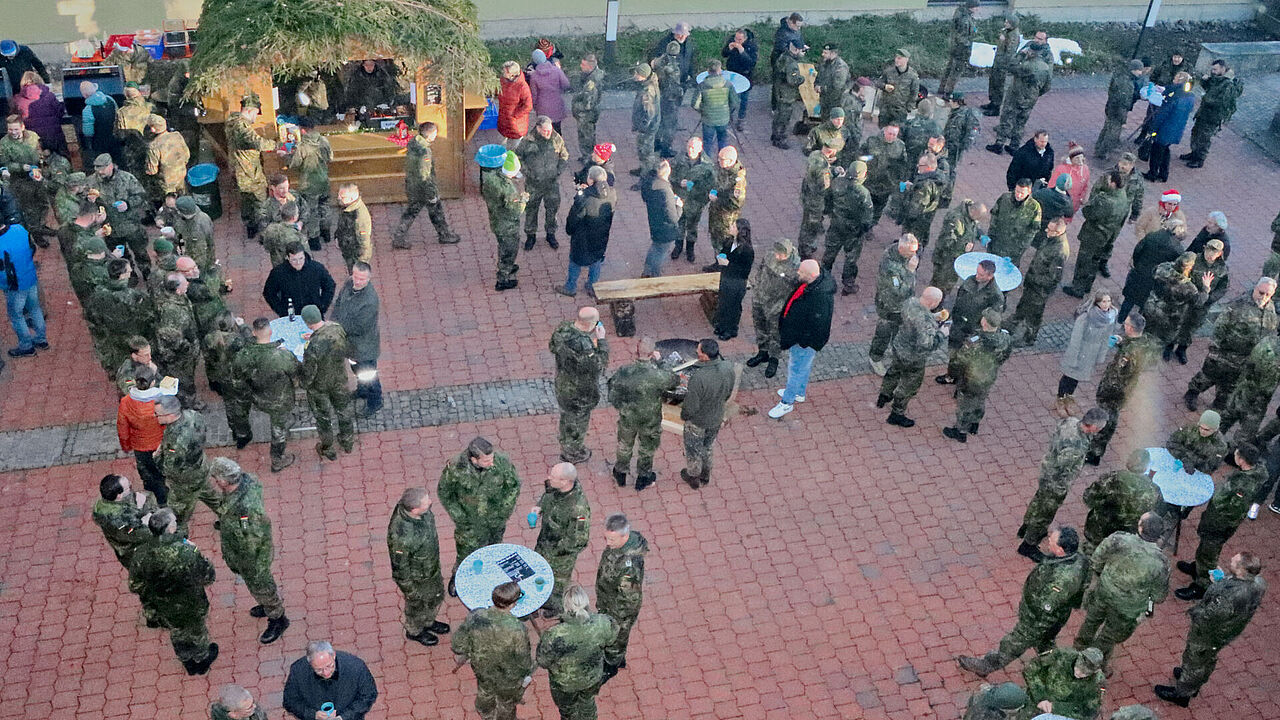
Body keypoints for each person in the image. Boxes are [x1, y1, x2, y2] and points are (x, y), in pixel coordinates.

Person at [958, 527, 1088, 676]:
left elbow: (1047, 606)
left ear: (1060, 550)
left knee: (1014, 643)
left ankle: (986, 666)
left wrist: (1034, 624)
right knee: (1045, 642)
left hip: (1039, 619)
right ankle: (1054, 669)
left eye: (1051, 540)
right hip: (1054, 616)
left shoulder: (1064, 579)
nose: (1048, 540)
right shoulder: (1079, 558)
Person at [1155, 551, 1266, 707]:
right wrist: (1220, 583)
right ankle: (1191, 680)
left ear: (1241, 570)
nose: (1231, 560)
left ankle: (1183, 693)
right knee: (1205, 658)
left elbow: (1209, 614)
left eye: (1234, 562)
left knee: (1196, 660)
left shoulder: (1230, 597)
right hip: (1227, 631)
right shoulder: (1258, 582)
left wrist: (1194, 612)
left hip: (1209, 633)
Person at [208, 457, 290, 644]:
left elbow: (252, 540)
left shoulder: (246, 509)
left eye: (217, 478)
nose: (215, 482)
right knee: (257, 586)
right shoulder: (246, 481)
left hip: (252, 557)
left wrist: (250, 564)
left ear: (225, 481)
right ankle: (267, 604)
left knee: (262, 585)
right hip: (243, 551)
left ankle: (277, 617)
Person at [1073, 512, 1170, 669]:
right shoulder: (1161, 563)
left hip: (1104, 592)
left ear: (1140, 528)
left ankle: (1078, 649)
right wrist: (1148, 609)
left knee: (1091, 621)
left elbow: (1096, 560)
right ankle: (1095, 662)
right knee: (1108, 637)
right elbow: (1158, 596)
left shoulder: (1118, 539)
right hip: (1128, 608)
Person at [129, 509, 218, 674]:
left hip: (164, 605)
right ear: (169, 529)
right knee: (197, 630)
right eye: (174, 522)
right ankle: (202, 659)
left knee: (177, 631)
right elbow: (208, 576)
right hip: (191, 602)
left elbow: (135, 586)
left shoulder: (140, 554)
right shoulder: (187, 551)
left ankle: (187, 661)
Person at [1174, 444, 1265, 599]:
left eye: (1236, 454)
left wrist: (1217, 509)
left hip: (1219, 524)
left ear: (1242, 460)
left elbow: (1234, 510)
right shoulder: (1248, 473)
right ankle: (1198, 568)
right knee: (1204, 549)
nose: (1233, 456)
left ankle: (1201, 586)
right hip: (1215, 521)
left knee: (1209, 556)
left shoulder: (1244, 484)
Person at [1016, 409, 1106, 559]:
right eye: (1100, 427)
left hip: (1046, 470)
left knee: (1038, 500)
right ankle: (1028, 544)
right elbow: (1063, 465)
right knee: (1045, 513)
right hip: (1056, 483)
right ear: (1093, 427)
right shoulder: (1076, 446)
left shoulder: (1070, 422)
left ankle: (1025, 527)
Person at [438, 437, 522, 596]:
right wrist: (459, 516)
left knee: (494, 549)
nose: (492, 463)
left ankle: (490, 575)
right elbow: (445, 492)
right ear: (473, 459)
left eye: (492, 458)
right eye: (486, 461)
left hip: (495, 520)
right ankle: (459, 577)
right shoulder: (456, 467)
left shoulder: (502, 461)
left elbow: (514, 486)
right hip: (469, 523)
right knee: (465, 552)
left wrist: (504, 509)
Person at [1185, 277, 1277, 412]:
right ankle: (1192, 393)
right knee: (1208, 376)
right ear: (1255, 289)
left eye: (1268, 294)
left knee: (1231, 386)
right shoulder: (1237, 305)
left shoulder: (1270, 308)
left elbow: (1270, 331)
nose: (1263, 297)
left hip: (1246, 359)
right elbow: (1220, 327)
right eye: (1261, 292)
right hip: (1225, 353)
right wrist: (1215, 350)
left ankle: (1218, 404)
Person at [452, 582, 535, 720]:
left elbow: (457, 645)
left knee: (485, 692)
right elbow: (523, 662)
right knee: (506, 703)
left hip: (482, 669)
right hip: (508, 677)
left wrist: (474, 649)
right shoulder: (517, 629)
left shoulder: (476, 615)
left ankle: (486, 714)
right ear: (513, 604)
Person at [536, 584, 619, 718]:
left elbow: (543, 661)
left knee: (568, 710)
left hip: (564, 683)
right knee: (588, 702)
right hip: (592, 677)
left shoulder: (554, 634)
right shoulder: (602, 622)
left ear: (566, 607)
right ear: (586, 603)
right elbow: (611, 639)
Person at [231, 317, 301, 472]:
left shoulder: (243, 354)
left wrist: (243, 326)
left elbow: (237, 378)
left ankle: (242, 434)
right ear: (271, 332)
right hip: (279, 399)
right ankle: (277, 460)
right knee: (278, 431)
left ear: (254, 332)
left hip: (254, 395)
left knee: (240, 411)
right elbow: (295, 371)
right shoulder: (281, 356)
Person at [769, 259, 836, 419]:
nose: (798, 274)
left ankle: (787, 402)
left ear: (811, 275)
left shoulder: (819, 297)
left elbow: (818, 323)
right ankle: (799, 392)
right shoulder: (814, 285)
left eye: (801, 272)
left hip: (804, 341)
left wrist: (804, 341)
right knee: (803, 366)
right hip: (803, 339)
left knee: (796, 369)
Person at [608, 339, 678, 490]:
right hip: (650, 418)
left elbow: (612, 391)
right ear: (652, 354)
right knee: (647, 448)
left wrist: (621, 407)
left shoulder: (624, 371)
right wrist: (661, 362)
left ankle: (620, 473)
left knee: (624, 445)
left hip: (628, 416)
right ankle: (643, 477)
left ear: (636, 351)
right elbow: (674, 380)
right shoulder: (657, 375)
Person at [1088, 313, 1157, 463]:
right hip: (1127, 389)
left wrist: (1104, 391)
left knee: (1106, 420)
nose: (1123, 326)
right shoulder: (1143, 342)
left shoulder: (1128, 354)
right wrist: (1121, 342)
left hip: (1114, 392)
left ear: (1131, 328)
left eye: (1125, 324)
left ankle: (1095, 453)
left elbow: (1118, 376)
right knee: (1110, 417)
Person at [387, 486, 450, 647]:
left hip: (430, 569)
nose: (430, 502)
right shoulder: (401, 536)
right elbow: (400, 569)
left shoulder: (421, 514)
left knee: (435, 597)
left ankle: (428, 622)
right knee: (417, 606)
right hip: (417, 579)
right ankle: (414, 631)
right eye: (426, 502)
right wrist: (411, 592)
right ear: (415, 510)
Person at [877, 287, 945, 427]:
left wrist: (932, 317)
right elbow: (926, 344)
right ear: (933, 303)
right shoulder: (925, 321)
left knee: (893, 372)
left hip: (899, 347)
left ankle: (884, 395)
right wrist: (942, 334)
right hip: (913, 358)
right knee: (909, 386)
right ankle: (897, 414)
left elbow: (914, 319)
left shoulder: (910, 302)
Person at [531, 463, 592, 616]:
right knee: (536, 574)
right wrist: (539, 507)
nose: (548, 478)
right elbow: (547, 495)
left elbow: (578, 540)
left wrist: (555, 552)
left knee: (557, 585)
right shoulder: (556, 487)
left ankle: (555, 608)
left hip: (560, 554)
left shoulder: (578, 508)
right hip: (544, 542)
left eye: (553, 477)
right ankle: (536, 601)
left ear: (565, 481)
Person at [944, 309, 1013, 442]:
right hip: (989, 375)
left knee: (965, 403)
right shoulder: (1005, 337)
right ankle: (974, 424)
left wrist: (953, 374)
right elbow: (1005, 355)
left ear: (984, 322)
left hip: (971, 378)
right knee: (980, 398)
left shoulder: (974, 342)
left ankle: (960, 431)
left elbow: (960, 360)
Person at [153, 394, 218, 531]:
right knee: (211, 496)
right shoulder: (192, 415)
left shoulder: (177, 443)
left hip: (185, 482)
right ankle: (227, 516)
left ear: (170, 415)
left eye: (158, 414)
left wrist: (157, 456)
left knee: (177, 512)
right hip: (201, 466)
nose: (155, 417)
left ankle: (179, 534)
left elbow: (169, 469)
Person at [595, 514, 648, 680]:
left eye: (612, 539)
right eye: (606, 538)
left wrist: (615, 620)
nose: (608, 543)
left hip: (619, 611)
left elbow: (629, 601)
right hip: (609, 600)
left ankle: (611, 667)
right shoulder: (618, 547)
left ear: (625, 536)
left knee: (615, 639)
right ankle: (616, 657)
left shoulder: (629, 567)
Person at [299, 304, 355, 460]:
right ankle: (347, 441)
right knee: (344, 411)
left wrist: (303, 384)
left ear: (307, 323)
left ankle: (328, 448)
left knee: (323, 418)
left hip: (320, 387)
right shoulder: (337, 328)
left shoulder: (313, 346)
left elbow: (309, 372)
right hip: (339, 380)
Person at [1064, 171, 1130, 297]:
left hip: (1093, 234)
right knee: (1095, 260)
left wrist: (1089, 204)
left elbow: (1088, 213)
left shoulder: (1105, 200)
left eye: (1109, 180)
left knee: (1084, 260)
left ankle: (1077, 288)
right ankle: (1088, 285)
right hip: (1107, 235)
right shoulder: (1123, 197)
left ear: (1113, 183)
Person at [393, 121, 459, 248]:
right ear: (430, 135)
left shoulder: (413, 142)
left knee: (412, 211)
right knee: (436, 210)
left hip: (412, 184)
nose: (436, 136)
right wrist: (432, 193)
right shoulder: (425, 153)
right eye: (435, 133)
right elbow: (425, 175)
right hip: (423, 188)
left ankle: (399, 237)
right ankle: (444, 235)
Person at [1082, 449, 1161, 554]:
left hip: (1099, 530)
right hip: (1127, 537)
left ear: (1128, 462)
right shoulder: (1154, 490)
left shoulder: (1113, 478)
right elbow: (1154, 515)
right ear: (1146, 468)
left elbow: (1088, 498)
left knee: (1090, 554)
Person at [680, 338, 735, 488]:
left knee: (693, 450)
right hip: (716, 417)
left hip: (698, 421)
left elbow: (691, 406)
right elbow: (728, 392)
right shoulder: (728, 367)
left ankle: (693, 477)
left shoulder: (699, 378)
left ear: (704, 356)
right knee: (708, 446)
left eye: (698, 350)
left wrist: (684, 416)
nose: (696, 352)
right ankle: (705, 475)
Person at [939, 260, 1005, 383]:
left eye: (981, 275)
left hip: (973, 330)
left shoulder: (996, 296)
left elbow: (992, 319)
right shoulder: (970, 280)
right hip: (959, 324)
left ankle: (963, 383)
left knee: (967, 359)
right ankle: (951, 375)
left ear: (990, 276)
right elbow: (959, 298)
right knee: (954, 352)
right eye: (977, 272)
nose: (977, 276)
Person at [1007, 217, 1069, 346]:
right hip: (1032, 283)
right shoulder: (1050, 239)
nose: (1046, 231)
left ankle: (1029, 338)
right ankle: (1013, 323)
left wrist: (1034, 279)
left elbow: (1053, 278)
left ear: (1058, 232)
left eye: (1050, 230)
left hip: (1040, 289)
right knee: (1023, 304)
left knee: (1034, 314)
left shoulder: (1059, 251)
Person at [332, 262, 382, 415]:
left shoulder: (370, 300)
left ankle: (375, 401)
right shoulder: (349, 284)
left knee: (368, 375)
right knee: (356, 369)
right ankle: (362, 391)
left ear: (369, 278)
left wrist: (336, 328)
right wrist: (333, 321)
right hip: (351, 344)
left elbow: (359, 327)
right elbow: (339, 304)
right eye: (356, 277)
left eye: (362, 279)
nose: (358, 281)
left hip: (364, 347)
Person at [224, 94, 278, 238]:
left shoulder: (232, 120)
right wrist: (276, 145)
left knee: (246, 201)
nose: (256, 117)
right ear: (249, 110)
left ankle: (250, 229)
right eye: (255, 113)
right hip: (248, 170)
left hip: (239, 168)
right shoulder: (242, 126)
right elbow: (257, 142)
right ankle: (264, 232)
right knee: (260, 200)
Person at [89, 258, 154, 375]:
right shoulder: (133, 296)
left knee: (119, 368)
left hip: (109, 340)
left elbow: (91, 316)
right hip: (132, 339)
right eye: (128, 272)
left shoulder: (98, 293)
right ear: (122, 275)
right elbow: (147, 317)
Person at [88, 153, 149, 276]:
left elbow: (141, 195)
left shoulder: (127, 178)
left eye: (102, 168)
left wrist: (128, 204)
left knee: (140, 252)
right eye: (97, 168)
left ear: (110, 166)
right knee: (120, 255)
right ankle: (130, 274)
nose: (100, 172)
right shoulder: (91, 182)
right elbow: (85, 205)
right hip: (110, 228)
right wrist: (90, 202)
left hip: (131, 225)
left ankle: (146, 271)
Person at [282, 641, 378, 720]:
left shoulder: (356, 667)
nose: (326, 673)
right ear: (310, 663)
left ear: (334, 655)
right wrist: (312, 715)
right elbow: (290, 701)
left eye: (329, 666)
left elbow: (368, 695)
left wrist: (344, 716)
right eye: (319, 670)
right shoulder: (298, 671)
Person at [868, 235, 920, 376]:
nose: (914, 255)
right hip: (889, 306)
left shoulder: (904, 256)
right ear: (901, 248)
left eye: (915, 251)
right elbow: (898, 290)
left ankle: (895, 353)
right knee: (883, 333)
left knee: (900, 331)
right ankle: (875, 358)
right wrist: (910, 272)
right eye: (911, 252)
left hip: (903, 305)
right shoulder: (890, 266)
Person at [747, 239, 800, 378]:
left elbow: (797, 289)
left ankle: (774, 359)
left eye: (781, 255)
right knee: (759, 326)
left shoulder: (796, 267)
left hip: (778, 304)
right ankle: (762, 352)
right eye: (777, 253)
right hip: (761, 297)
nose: (777, 257)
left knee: (775, 332)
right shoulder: (769, 256)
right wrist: (757, 286)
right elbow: (760, 270)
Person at [116, 365, 169, 504]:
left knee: (149, 474)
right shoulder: (160, 399)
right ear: (152, 383)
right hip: (160, 444)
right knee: (163, 471)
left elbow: (122, 427)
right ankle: (165, 497)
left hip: (141, 446)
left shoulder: (126, 402)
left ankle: (155, 497)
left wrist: (126, 445)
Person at [1119, 215, 1185, 324]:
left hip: (1139, 272)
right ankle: (1136, 325)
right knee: (1145, 304)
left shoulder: (1152, 235)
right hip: (1156, 280)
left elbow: (1138, 250)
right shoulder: (1177, 249)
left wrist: (1137, 264)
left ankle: (1120, 320)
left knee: (1129, 299)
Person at [1171, 238, 1228, 363]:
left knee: (1191, 327)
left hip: (1202, 306)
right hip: (1186, 301)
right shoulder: (1194, 260)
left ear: (1219, 254)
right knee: (1176, 323)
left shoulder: (1222, 269)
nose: (1210, 254)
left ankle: (1181, 349)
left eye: (1214, 252)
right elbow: (1180, 276)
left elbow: (1223, 288)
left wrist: (1209, 299)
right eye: (1208, 250)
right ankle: (1169, 346)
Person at [1144, 252, 1211, 359]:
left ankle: (1141, 348)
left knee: (1146, 330)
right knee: (1161, 340)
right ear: (1189, 267)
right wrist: (1206, 288)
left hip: (1152, 306)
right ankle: (1150, 357)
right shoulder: (1188, 287)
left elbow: (1154, 272)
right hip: (1170, 317)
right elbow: (1198, 301)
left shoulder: (1163, 268)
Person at [823, 160, 875, 295]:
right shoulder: (863, 193)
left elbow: (827, 199)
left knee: (829, 252)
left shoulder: (837, 183)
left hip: (836, 225)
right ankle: (848, 284)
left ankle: (823, 278)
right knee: (851, 258)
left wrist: (831, 213)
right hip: (853, 231)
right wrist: (864, 230)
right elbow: (867, 216)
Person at [517, 116, 569, 251]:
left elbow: (564, 155)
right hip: (533, 184)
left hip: (551, 183)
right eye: (545, 130)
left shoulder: (556, 139)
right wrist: (528, 172)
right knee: (531, 210)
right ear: (538, 128)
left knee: (552, 209)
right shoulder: (527, 141)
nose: (548, 133)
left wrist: (558, 171)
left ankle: (551, 234)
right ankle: (530, 235)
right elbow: (517, 157)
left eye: (550, 130)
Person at [988, 44, 1052, 154]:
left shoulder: (1027, 65)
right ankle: (1014, 145)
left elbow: (1011, 66)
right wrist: (1036, 93)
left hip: (1016, 95)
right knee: (1021, 121)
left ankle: (999, 143)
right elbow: (1047, 86)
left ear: (1031, 51)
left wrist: (1021, 55)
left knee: (1007, 118)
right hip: (1031, 98)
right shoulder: (1045, 67)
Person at [480, 146, 526, 291]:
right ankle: (503, 278)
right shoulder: (507, 189)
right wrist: (523, 200)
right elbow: (516, 211)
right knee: (509, 250)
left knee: (503, 245)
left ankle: (507, 267)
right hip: (507, 225)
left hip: (497, 219)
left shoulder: (492, 177)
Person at [1183, 59, 1244, 169]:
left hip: (1213, 116)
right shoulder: (1218, 79)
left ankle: (1199, 159)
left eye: (1215, 69)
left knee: (1204, 137)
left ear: (1223, 68)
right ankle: (1194, 153)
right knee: (1196, 132)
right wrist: (1205, 80)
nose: (1213, 72)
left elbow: (1222, 102)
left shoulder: (1228, 84)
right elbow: (1209, 88)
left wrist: (1206, 99)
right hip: (1204, 112)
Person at [0, 221, 47, 357]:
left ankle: (26, 346)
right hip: (30, 276)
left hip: (14, 287)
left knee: (16, 315)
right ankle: (41, 339)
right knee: (35, 308)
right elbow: (32, 248)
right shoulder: (19, 228)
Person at [93, 473, 159, 570]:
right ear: (119, 496)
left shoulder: (105, 502)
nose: (131, 487)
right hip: (134, 553)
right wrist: (144, 513)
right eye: (129, 487)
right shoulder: (120, 522)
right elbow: (146, 534)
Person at [285, 117, 333, 250]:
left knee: (312, 212)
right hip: (324, 181)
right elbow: (330, 158)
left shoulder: (302, 147)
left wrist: (286, 155)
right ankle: (326, 232)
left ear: (303, 130)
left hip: (309, 185)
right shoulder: (324, 141)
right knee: (325, 207)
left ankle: (314, 240)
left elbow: (294, 164)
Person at [1022, 646, 1105, 720]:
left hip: (1062, 712)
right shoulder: (1062, 655)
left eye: (1085, 673)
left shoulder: (1097, 683)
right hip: (1035, 697)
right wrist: (1040, 696)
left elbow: (1090, 711)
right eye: (1078, 668)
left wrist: (1056, 707)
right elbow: (1031, 669)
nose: (1079, 674)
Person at [1144, 72, 1195, 183]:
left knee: (1156, 150)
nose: (1173, 79)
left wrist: (1153, 129)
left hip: (1165, 128)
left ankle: (1152, 173)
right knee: (1165, 149)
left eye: (1176, 77)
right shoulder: (1190, 96)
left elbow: (1163, 114)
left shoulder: (1173, 96)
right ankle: (1163, 174)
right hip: (1177, 128)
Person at [669, 136, 714, 262]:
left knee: (692, 226)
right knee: (679, 224)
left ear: (700, 149)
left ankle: (690, 249)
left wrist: (699, 192)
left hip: (696, 201)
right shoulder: (679, 159)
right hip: (680, 199)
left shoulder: (707, 165)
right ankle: (678, 247)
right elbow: (669, 174)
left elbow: (711, 184)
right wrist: (678, 182)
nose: (690, 150)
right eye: (689, 146)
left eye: (693, 147)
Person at [263, 242, 336, 318]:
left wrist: (322, 306)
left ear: (304, 255)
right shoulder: (278, 272)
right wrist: (281, 310)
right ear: (288, 257)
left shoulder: (316, 268)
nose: (298, 263)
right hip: (290, 314)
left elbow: (330, 286)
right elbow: (269, 293)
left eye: (301, 258)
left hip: (314, 314)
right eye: (294, 260)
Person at [1096, 59, 1146, 159]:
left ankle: (1099, 148)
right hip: (1117, 110)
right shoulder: (1125, 81)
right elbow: (1123, 99)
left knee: (1107, 128)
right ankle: (1102, 152)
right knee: (1113, 132)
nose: (1141, 73)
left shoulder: (1123, 77)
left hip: (1112, 108)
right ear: (1134, 70)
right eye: (1140, 70)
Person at [713, 218, 754, 339]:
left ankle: (730, 329)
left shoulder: (747, 250)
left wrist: (728, 264)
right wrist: (722, 257)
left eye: (733, 226)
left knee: (733, 306)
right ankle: (722, 325)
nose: (730, 227)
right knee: (723, 303)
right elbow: (724, 252)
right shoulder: (729, 241)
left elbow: (744, 271)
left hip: (737, 282)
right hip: (726, 277)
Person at [640, 159, 682, 277]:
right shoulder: (665, 191)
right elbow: (673, 218)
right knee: (660, 252)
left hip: (654, 223)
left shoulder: (649, 184)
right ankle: (655, 275)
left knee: (654, 247)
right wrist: (679, 206)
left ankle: (646, 271)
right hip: (666, 229)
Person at [987, 179, 1042, 266]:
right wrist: (991, 235)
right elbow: (994, 215)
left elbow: (1033, 229)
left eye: (1022, 193)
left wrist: (1022, 247)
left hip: (1014, 250)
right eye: (1017, 191)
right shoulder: (1004, 198)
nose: (1018, 195)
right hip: (997, 243)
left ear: (1029, 192)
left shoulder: (1034, 207)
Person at [861, 124, 908, 223]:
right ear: (884, 132)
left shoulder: (900, 146)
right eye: (890, 133)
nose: (891, 137)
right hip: (868, 181)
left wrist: (897, 182)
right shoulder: (872, 141)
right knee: (863, 206)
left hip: (885, 185)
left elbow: (903, 166)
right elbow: (861, 155)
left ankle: (871, 227)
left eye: (894, 135)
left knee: (878, 209)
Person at [692, 60, 739, 157]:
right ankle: (723, 163)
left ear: (708, 70)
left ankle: (707, 164)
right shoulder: (728, 84)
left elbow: (694, 104)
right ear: (719, 70)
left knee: (707, 143)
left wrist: (703, 111)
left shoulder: (702, 85)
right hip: (724, 119)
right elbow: (735, 102)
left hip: (708, 119)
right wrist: (727, 112)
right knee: (722, 141)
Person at [797, 145, 836, 260]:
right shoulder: (823, 168)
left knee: (806, 224)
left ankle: (805, 247)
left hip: (807, 197)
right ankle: (805, 250)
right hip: (816, 203)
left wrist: (832, 170)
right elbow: (824, 187)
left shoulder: (815, 155)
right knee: (811, 227)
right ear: (831, 150)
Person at [707, 146, 747, 255]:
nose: (718, 161)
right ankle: (717, 263)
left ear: (731, 161)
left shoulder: (738, 179)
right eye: (718, 158)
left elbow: (737, 202)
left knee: (726, 244)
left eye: (722, 159)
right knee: (716, 241)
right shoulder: (722, 168)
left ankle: (724, 268)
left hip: (727, 219)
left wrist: (718, 199)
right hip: (716, 214)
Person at [981, 13, 1022, 115]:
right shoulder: (1007, 31)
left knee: (999, 85)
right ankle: (992, 102)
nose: (1005, 23)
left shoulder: (1013, 35)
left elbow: (1009, 52)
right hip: (998, 62)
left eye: (1007, 22)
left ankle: (996, 108)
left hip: (1003, 65)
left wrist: (1003, 41)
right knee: (993, 82)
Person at [143, 114, 189, 202]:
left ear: (153, 129)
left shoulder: (153, 146)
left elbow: (152, 171)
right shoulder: (177, 135)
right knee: (183, 198)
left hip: (167, 183)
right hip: (181, 175)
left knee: (170, 203)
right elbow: (187, 155)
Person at [939, 0, 980, 95]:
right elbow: (961, 37)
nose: (978, 9)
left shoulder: (961, 12)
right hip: (961, 50)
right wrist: (970, 46)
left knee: (949, 68)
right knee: (956, 71)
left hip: (955, 47)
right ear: (972, 7)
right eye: (977, 7)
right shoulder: (965, 19)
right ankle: (948, 92)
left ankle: (942, 88)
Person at [770, 40, 805, 149]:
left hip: (779, 90)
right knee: (784, 117)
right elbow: (792, 80)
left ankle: (775, 135)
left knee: (778, 115)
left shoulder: (783, 56)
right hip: (786, 94)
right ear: (796, 49)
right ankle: (780, 139)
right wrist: (802, 78)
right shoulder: (792, 64)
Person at [653, 42, 685, 158]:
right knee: (670, 125)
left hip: (659, 95)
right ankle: (666, 148)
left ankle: (656, 143)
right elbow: (674, 85)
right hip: (670, 99)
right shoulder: (674, 67)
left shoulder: (659, 60)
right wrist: (680, 92)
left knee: (659, 121)